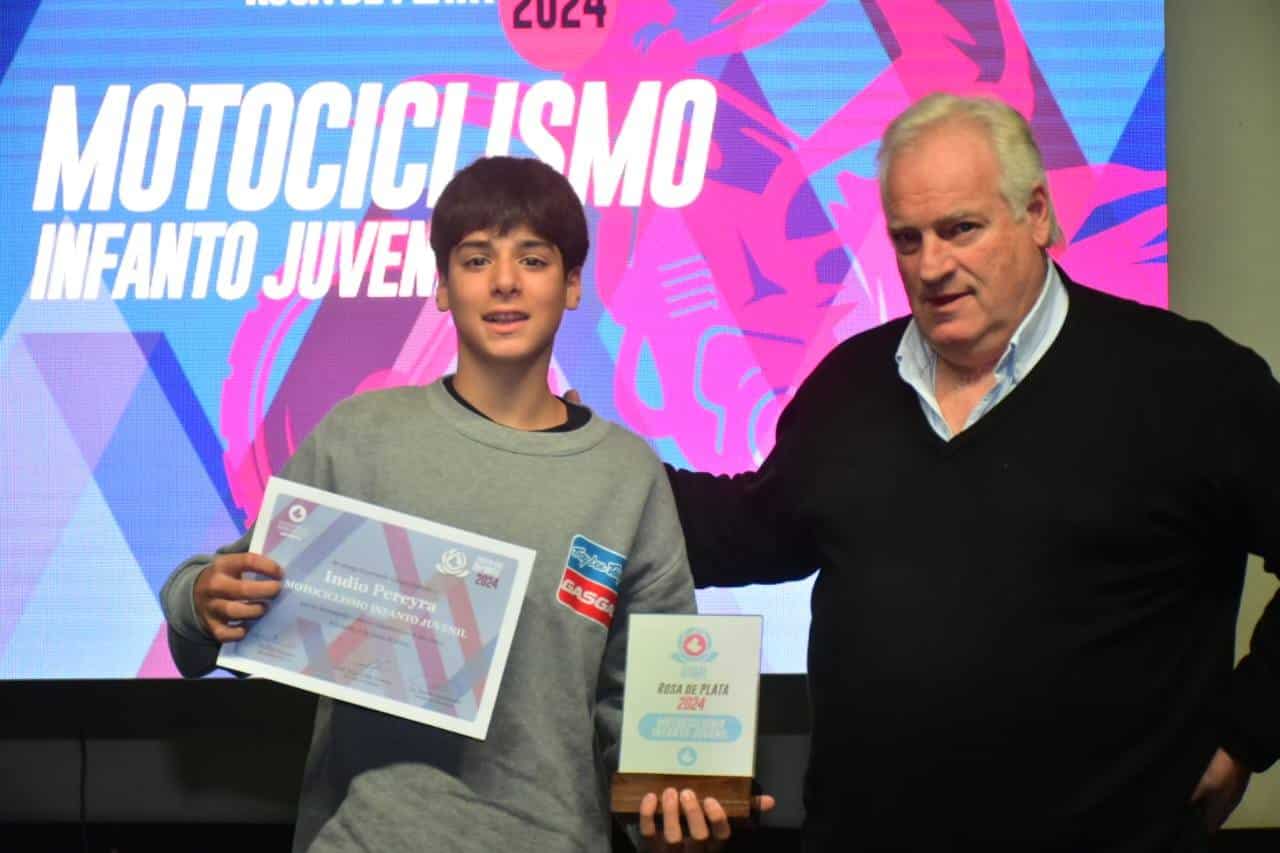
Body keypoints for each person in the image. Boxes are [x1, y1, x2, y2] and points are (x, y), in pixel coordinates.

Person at [666, 94, 1280, 851]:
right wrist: (565, 451)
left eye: (961, 229)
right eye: (908, 238)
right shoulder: (850, 384)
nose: (931, 266)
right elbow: (748, 532)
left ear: (1037, 214)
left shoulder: (1190, 382)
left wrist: (1249, 732)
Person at [160, 156, 748, 852]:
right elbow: (224, 598)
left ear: (572, 285)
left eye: (533, 258)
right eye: (476, 259)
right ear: (442, 286)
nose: (504, 281)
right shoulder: (362, 436)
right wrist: (201, 599)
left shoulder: (627, 475)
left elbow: (653, 709)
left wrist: (682, 814)